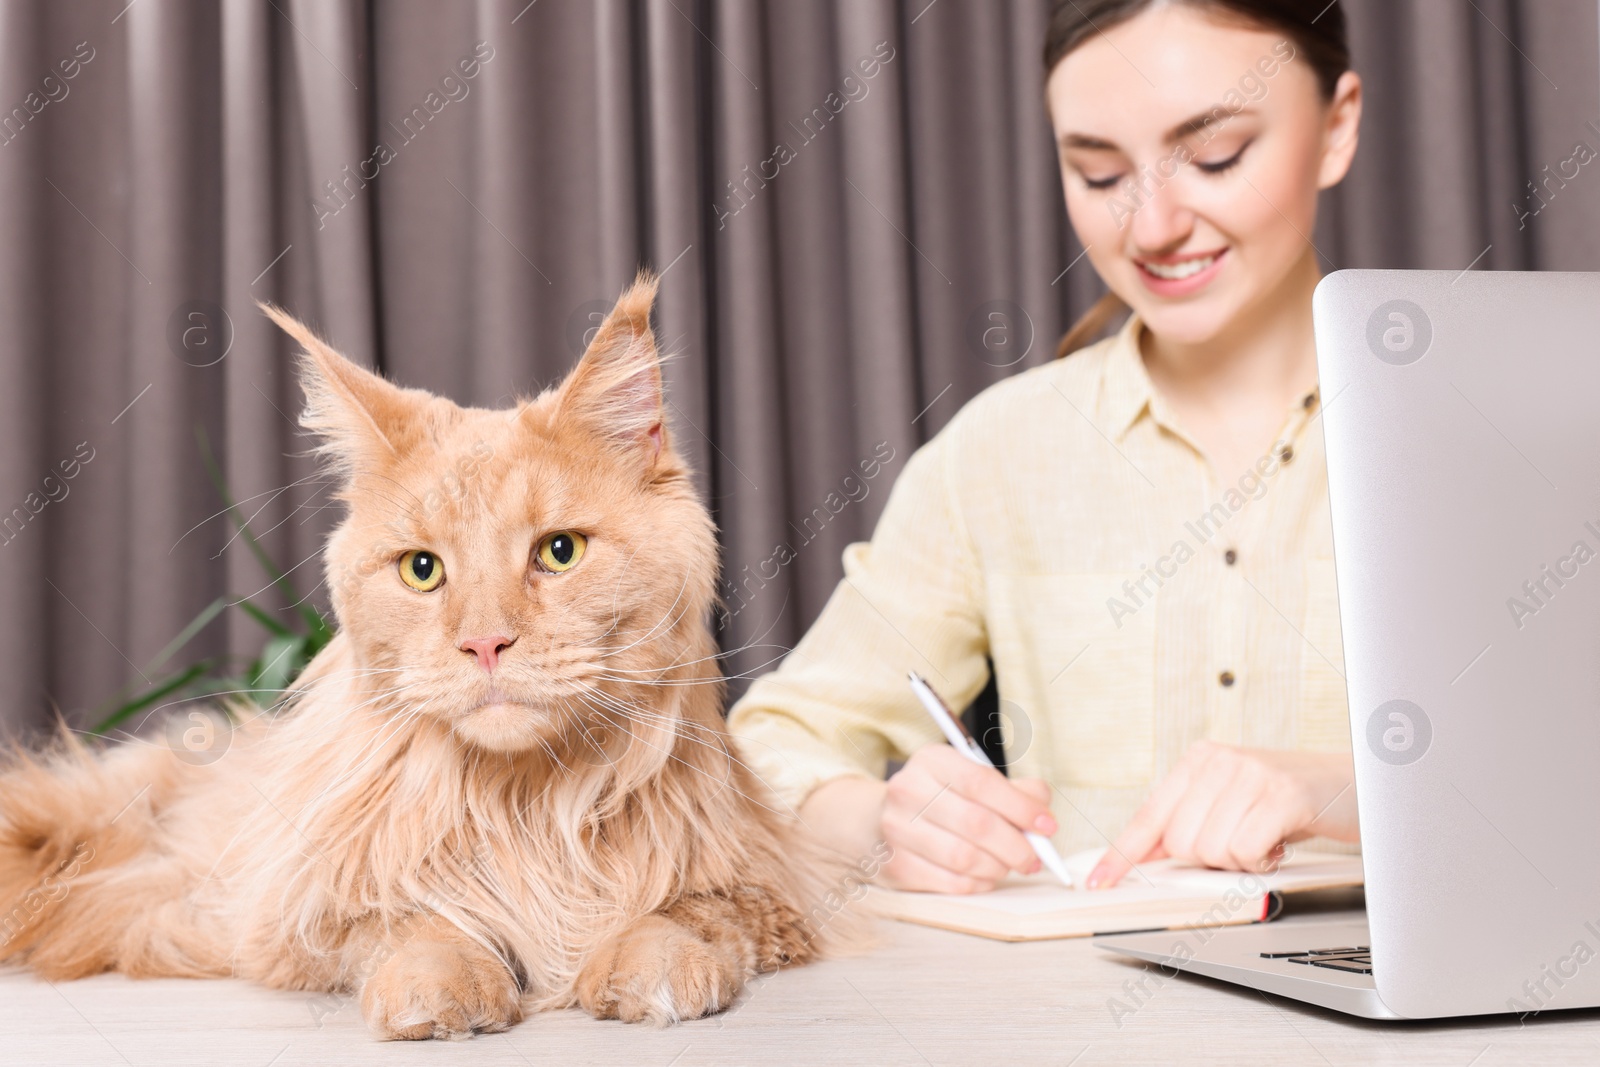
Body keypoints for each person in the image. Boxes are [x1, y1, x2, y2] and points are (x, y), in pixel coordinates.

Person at [727, 0, 1366, 894]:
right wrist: (887, 823)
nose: (1152, 228)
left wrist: (1346, 789)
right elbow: (768, 748)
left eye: (1216, 158)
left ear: (1336, 128)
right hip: (1077, 1022)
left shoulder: (1483, 426)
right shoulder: (998, 453)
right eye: (1100, 175)